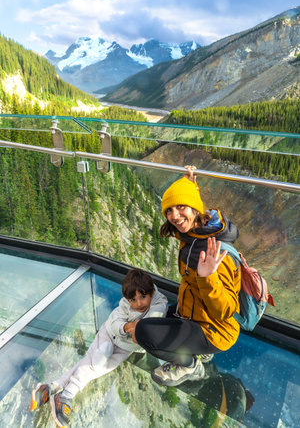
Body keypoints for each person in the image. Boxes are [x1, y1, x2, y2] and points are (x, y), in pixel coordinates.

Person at [134, 166, 242, 387]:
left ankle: (191, 365)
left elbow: (227, 310)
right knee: (153, 313)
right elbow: (187, 213)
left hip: (214, 330)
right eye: (169, 210)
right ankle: (200, 352)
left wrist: (208, 276)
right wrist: (190, 186)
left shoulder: (217, 252)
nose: (174, 216)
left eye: (180, 207)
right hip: (193, 313)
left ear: (194, 208)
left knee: (142, 332)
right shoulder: (197, 230)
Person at [30, 268, 168, 427]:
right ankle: (66, 395)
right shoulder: (125, 303)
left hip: (126, 348)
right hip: (109, 332)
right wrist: (128, 327)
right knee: (97, 362)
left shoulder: (159, 302)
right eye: (133, 300)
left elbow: (149, 326)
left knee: (89, 364)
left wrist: (138, 329)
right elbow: (116, 323)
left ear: (151, 292)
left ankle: (52, 387)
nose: (139, 304)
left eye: (143, 297)